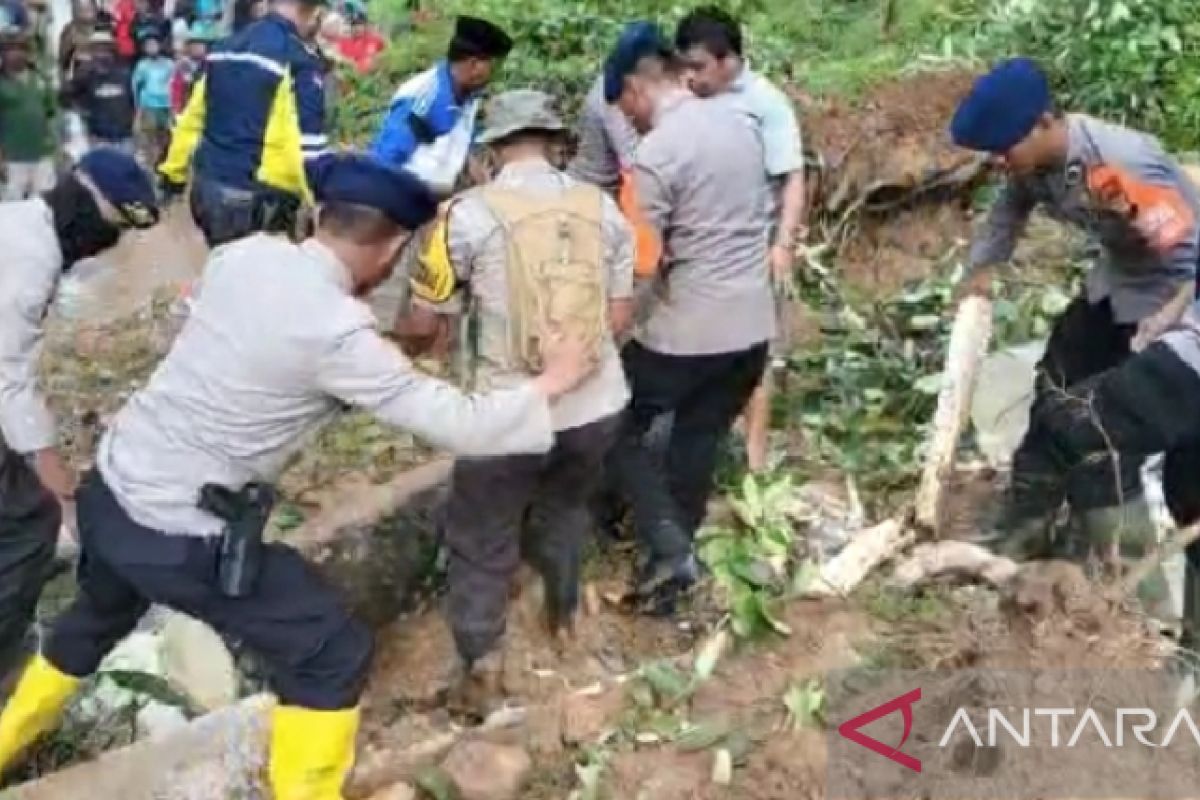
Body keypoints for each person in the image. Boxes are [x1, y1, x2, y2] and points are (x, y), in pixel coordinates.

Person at [0, 153, 597, 795]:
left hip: (110, 497)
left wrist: (380, 360)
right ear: (394, 246)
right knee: (331, 653)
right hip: (175, 535)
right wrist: (553, 381)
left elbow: (259, 348)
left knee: (92, 620)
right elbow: (460, 424)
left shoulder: (245, 256)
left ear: (318, 217)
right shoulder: (339, 333)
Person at [396, 90, 634, 712]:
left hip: (507, 414)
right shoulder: (603, 209)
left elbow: (424, 325)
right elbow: (618, 315)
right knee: (563, 510)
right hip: (596, 405)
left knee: (481, 531)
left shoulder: (463, 218)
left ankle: (481, 665)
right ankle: (562, 617)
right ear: (555, 142)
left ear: (493, 150)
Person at [950, 58, 1199, 575]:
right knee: (1055, 394)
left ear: (1044, 122)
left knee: (1107, 433)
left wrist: (1166, 327)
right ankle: (1025, 532)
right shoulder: (1035, 163)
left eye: (1004, 149)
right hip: (1117, 286)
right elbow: (1009, 209)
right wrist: (981, 269)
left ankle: (1121, 576)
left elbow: (1189, 259)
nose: (1000, 161)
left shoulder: (1116, 168)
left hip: (1169, 297)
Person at [604, 23, 774, 615]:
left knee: (613, 419)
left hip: (690, 332)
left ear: (635, 87)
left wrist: (602, 339)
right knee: (698, 434)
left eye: (623, 108)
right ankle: (676, 564)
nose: (627, 121)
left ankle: (671, 550)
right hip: (754, 330)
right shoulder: (742, 124)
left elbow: (640, 266)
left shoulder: (654, 157)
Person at [0, 149, 158, 690]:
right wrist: (56, 481)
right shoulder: (31, 259)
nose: (102, 248)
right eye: (104, 234)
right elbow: (8, 378)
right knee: (29, 522)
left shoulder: (18, 221)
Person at [674, 6, 806, 473]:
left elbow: (792, 177)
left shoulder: (765, 103)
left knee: (752, 354)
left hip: (752, 249)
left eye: (699, 67)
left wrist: (782, 246)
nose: (691, 77)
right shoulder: (691, 100)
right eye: (684, 67)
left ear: (729, 61)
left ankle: (753, 459)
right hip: (699, 246)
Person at [159, 0, 330, 248]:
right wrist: (321, 204)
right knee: (259, 281)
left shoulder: (224, 49)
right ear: (312, 12)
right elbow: (308, 148)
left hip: (208, 190)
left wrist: (173, 173)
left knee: (222, 269)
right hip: (260, 201)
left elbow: (192, 119)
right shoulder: (298, 61)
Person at [369, 15, 512, 199]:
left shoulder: (470, 97)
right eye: (492, 66)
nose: (494, 74)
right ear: (474, 65)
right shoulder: (423, 97)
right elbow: (387, 159)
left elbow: (466, 146)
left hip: (442, 198)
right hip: (406, 199)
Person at [0, 32, 56, 202]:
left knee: (45, 205)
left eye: (22, 48)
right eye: (10, 49)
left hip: (42, 154)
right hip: (12, 157)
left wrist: (56, 146)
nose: (17, 53)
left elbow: (51, 114)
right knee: (12, 208)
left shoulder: (41, 78)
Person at [65, 30, 136, 154]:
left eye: (105, 47)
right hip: (98, 136)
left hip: (124, 135)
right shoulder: (84, 73)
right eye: (97, 48)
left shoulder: (123, 71)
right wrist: (83, 113)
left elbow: (133, 99)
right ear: (92, 50)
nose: (102, 52)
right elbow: (66, 97)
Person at [131, 33, 172, 165]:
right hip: (149, 105)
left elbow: (175, 84)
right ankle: (152, 165)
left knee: (167, 136)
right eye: (148, 45)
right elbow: (136, 86)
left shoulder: (169, 64)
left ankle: (164, 163)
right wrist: (138, 108)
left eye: (154, 44)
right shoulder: (142, 65)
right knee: (150, 137)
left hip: (167, 105)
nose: (151, 47)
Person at [168, 20, 208, 118]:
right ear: (187, 47)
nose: (197, 47)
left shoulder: (211, 64)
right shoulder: (182, 66)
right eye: (193, 45)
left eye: (200, 44)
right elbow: (176, 89)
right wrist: (176, 111)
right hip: (188, 109)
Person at [335, 9, 382, 74]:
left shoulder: (373, 37)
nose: (356, 28)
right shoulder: (345, 44)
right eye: (353, 25)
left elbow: (379, 54)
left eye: (359, 24)